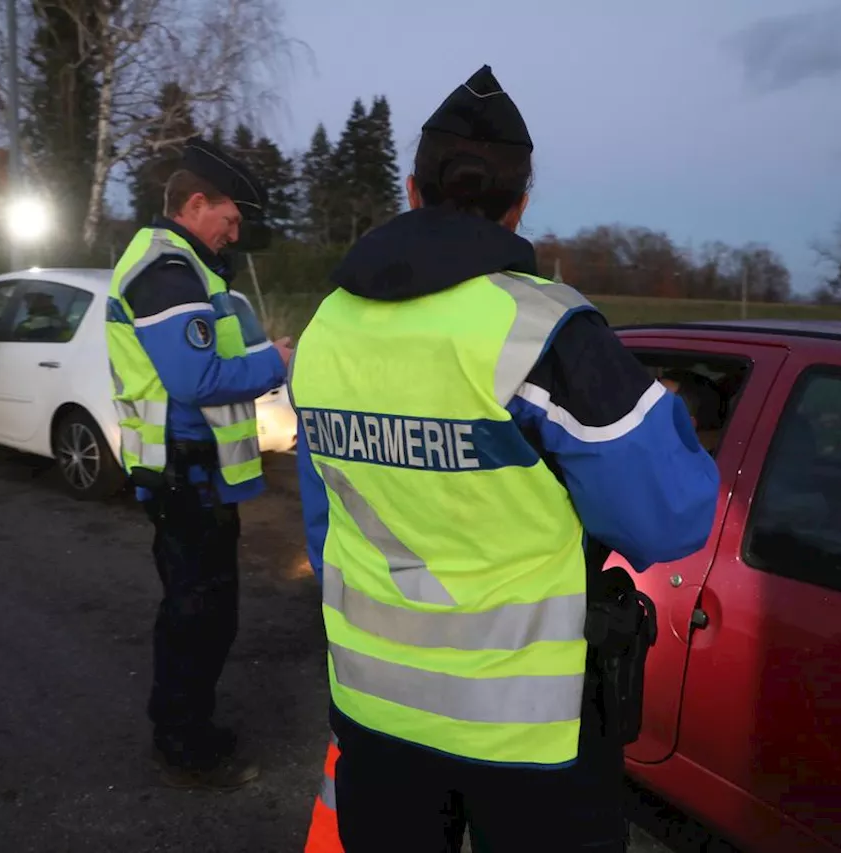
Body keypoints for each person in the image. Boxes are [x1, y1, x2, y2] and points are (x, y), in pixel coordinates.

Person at [291, 66, 720, 852]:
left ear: (412, 191)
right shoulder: (545, 334)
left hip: (375, 714)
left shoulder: (327, 327)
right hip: (529, 743)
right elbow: (672, 515)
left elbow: (326, 521)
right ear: (520, 205)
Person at [105, 136, 293, 790]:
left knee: (205, 607)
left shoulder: (187, 266)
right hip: (183, 471)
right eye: (229, 220)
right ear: (194, 203)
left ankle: (187, 721)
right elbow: (196, 377)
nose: (233, 234)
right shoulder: (165, 267)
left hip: (194, 470)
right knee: (197, 610)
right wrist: (277, 360)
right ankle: (183, 739)